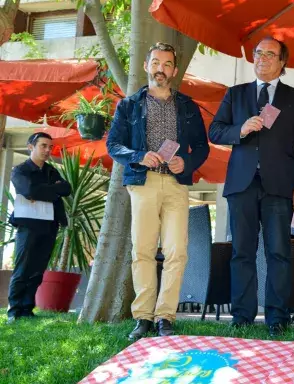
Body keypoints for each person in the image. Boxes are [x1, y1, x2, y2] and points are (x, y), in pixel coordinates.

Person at [209, 36, 294, 336]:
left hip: (280, 186)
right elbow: (215, 131)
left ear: (283, 62)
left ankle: (277, 318)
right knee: (242, 252)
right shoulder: (236, 94)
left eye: (270, 54)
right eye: (258, 53)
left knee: (278, 252)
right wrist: (239, 129)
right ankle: (242, 316)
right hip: (241, 185)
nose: (262, 59)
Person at [107, 42, 210, 340]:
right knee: (143, 250)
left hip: (177, 184)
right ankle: (143, 317)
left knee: (177, 250)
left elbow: (202, 147)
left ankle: (165, 316)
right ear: (146, 65)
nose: (160, 69)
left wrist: (187, 161)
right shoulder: (128, 105)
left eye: (166, 64)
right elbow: (113, 145)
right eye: (155, 63)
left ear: (174, 71)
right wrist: (138, 156)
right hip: (143, 182)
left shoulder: (188, 106)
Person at [5, 133, 71, 325]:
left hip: (49, 224)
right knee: (23, 268)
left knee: (38, 270)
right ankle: (14, 310)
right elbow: (28, 191)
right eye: (43, 146)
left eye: (50, 147)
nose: (48, 150)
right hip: (28, 225)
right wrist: (52, 190)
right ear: (30, 147)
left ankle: (27, 309)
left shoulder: (51, 171)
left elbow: (66, 189)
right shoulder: (20, 170)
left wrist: (44, 190)